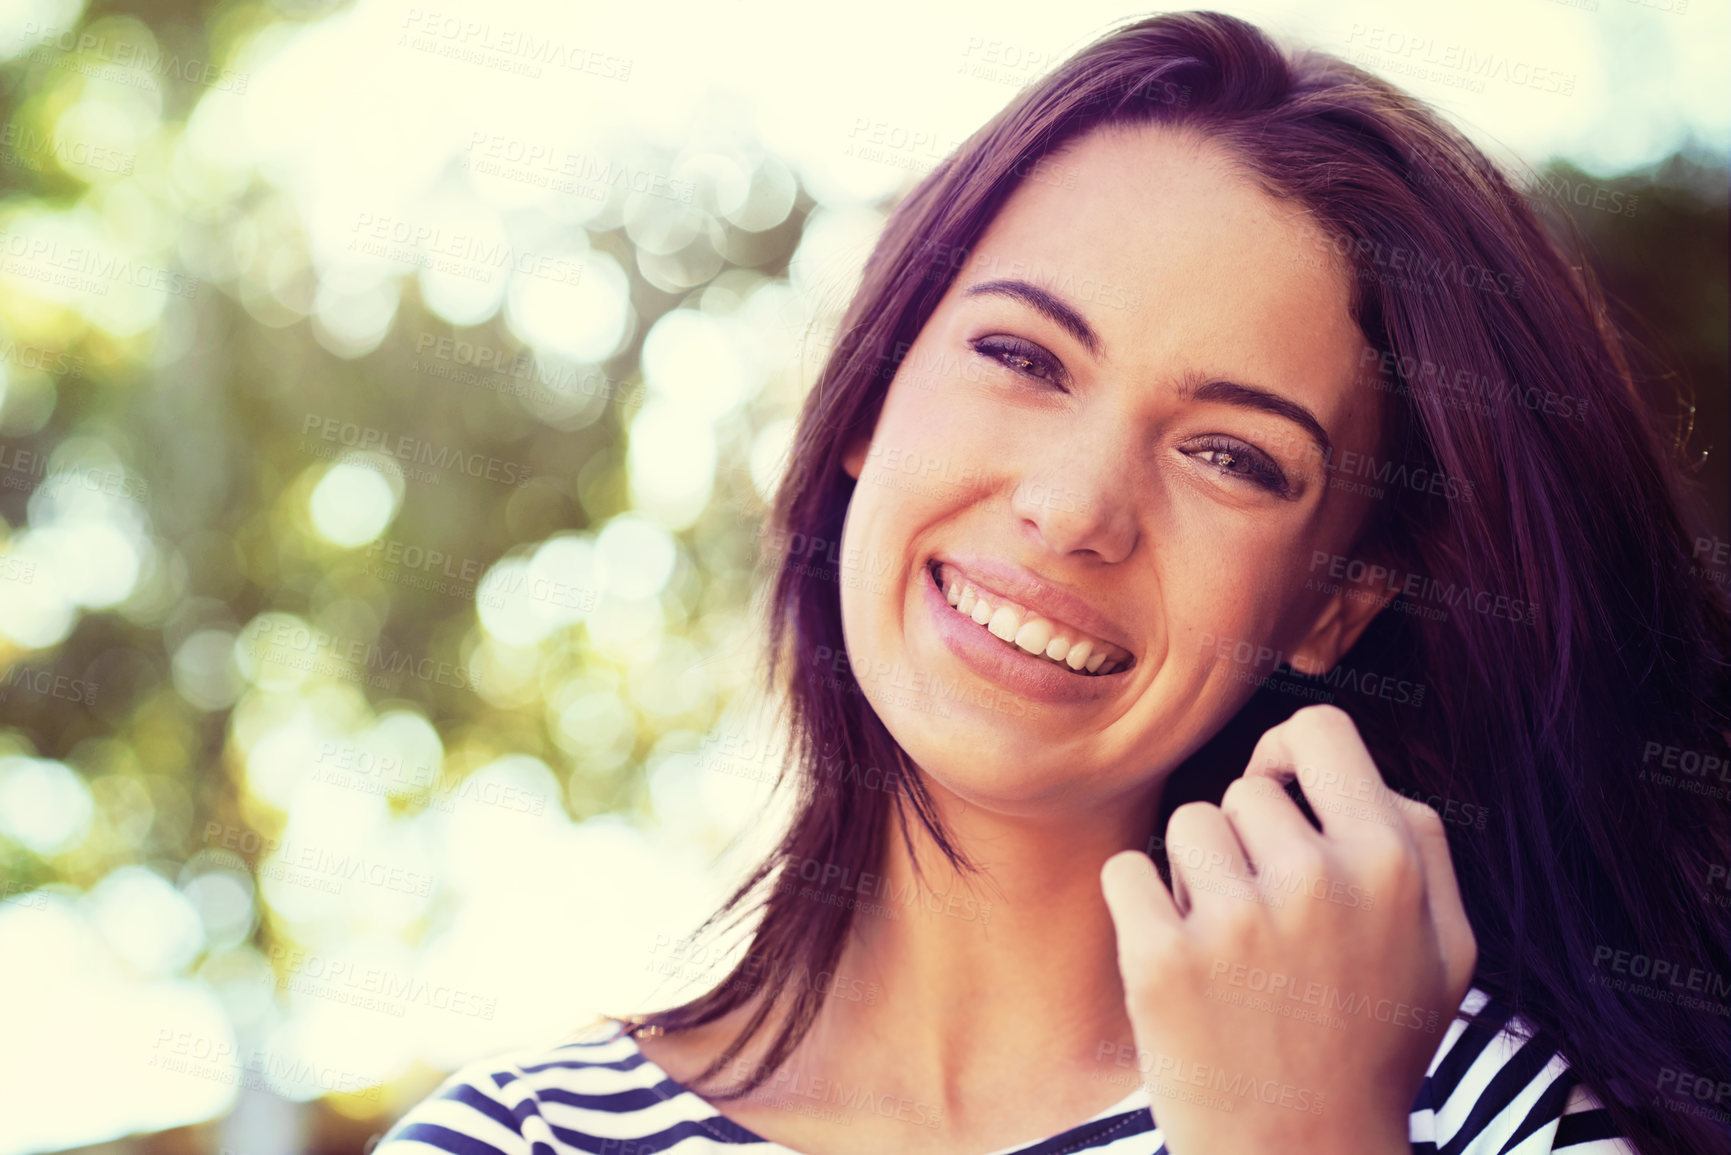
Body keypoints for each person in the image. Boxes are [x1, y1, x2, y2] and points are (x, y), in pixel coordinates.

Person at [376, 11, 1731, 1155]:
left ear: (1336, 601)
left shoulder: (1486, 1115)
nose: (1077, 507)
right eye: (1023, 358)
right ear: (868, 396)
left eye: (1231, 455)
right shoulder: (509, 1142)